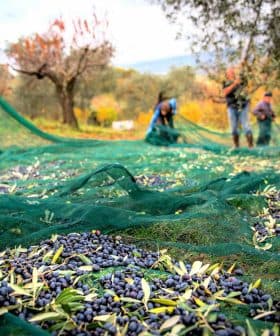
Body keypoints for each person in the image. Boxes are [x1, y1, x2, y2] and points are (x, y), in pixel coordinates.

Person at [223, 67, 253, 148]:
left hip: (243, 106)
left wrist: (239, 84)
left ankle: (251, 146)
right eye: (230, 73)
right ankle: (236, 146)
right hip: (231, 107)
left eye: (232, 72)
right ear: (227, 75)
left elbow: (246, 91)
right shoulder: (225, 83)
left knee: (246, 126)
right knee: (233, 128)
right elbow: (225, 92)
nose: (232, 74)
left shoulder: (241, 80)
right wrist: (234, 84)